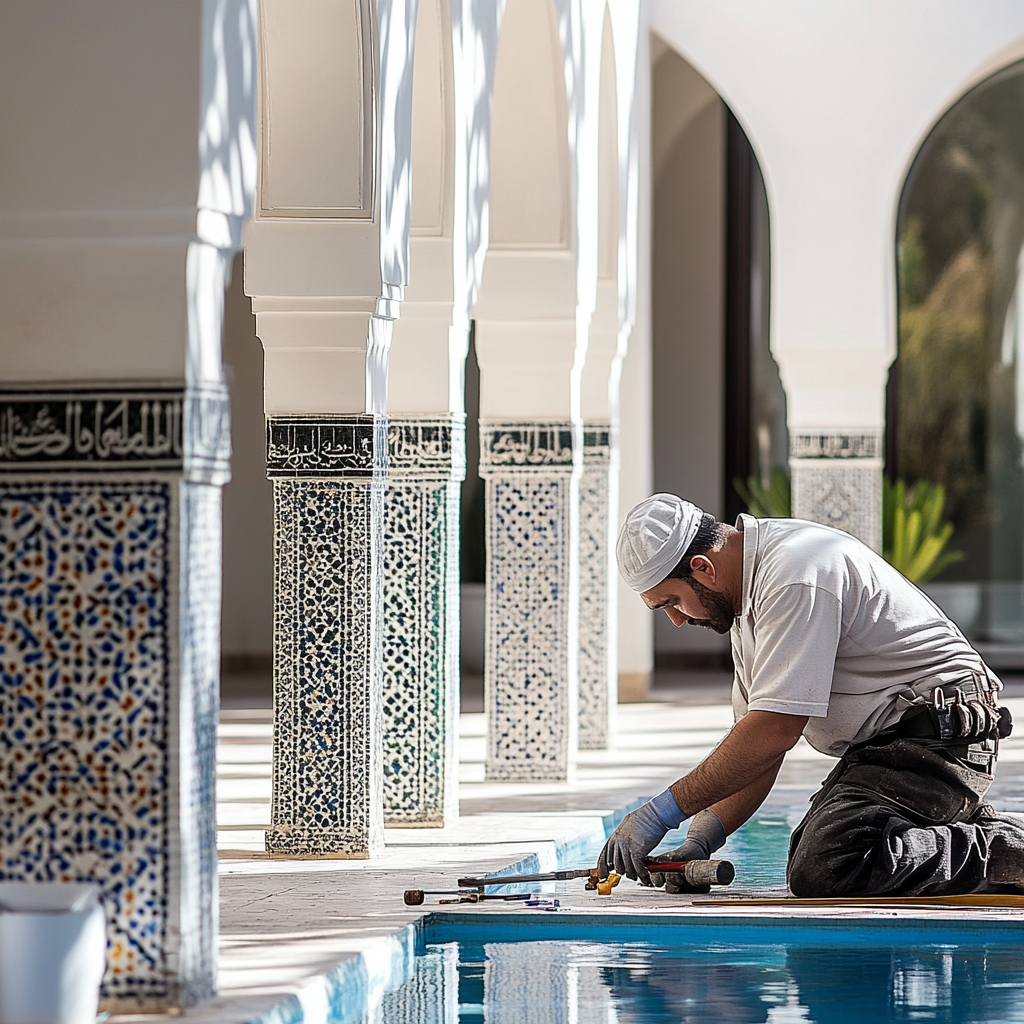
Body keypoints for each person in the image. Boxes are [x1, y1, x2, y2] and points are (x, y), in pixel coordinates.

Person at [598, 493, 1024, 897]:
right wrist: (699, 842)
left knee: (828, 864)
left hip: (943, 735)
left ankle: (1010, 853)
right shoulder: (749, 602)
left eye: (672, 602)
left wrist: (660, 814)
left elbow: (774, 733)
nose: (674, 620)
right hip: (895, 745)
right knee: (819, 849)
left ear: (702, 568)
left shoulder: (793, 574)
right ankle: (978, 829)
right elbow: (754, 749)